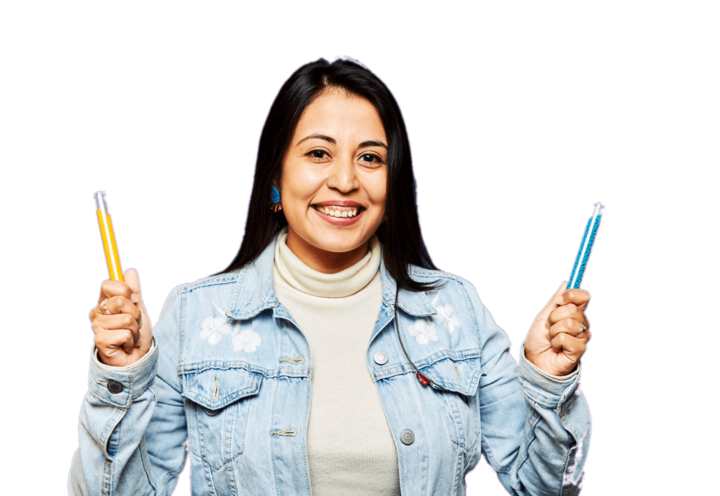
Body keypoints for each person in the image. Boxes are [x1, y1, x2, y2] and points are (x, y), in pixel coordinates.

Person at [70, 55, 593, 496]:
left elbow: (545, 487)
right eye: (318, 153)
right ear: (275, 177)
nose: (344, 181)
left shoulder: (453, 309)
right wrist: (122, 380)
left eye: (370, 158)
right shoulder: (196, 316)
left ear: (393, 187)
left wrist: (549, 381)